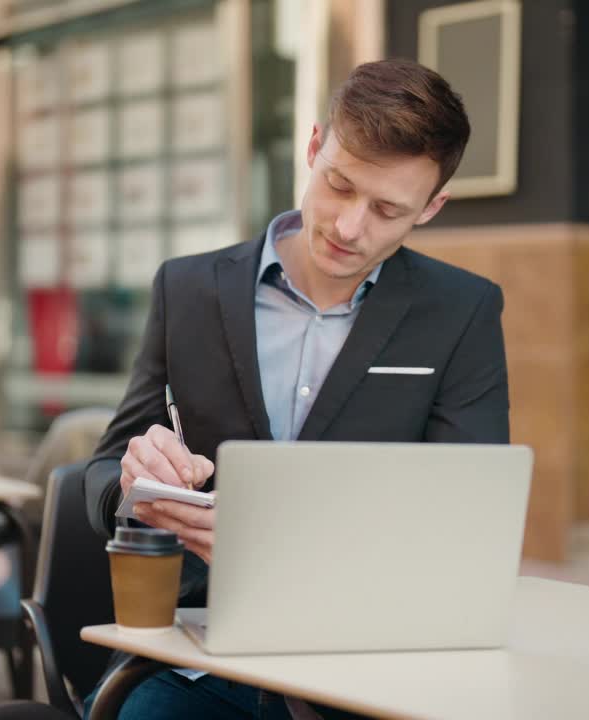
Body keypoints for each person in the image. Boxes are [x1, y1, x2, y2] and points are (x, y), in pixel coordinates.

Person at [83, 57, 509, 719]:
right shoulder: (189, 289)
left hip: (369, 661)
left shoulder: (463, 311)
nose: (348, 228)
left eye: (388, 210)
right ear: (313, 148)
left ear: (432, 207)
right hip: (199, 658)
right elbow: (100, 475)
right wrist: (136, 487)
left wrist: (289, 550)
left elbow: (470, 524)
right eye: (338, 185)